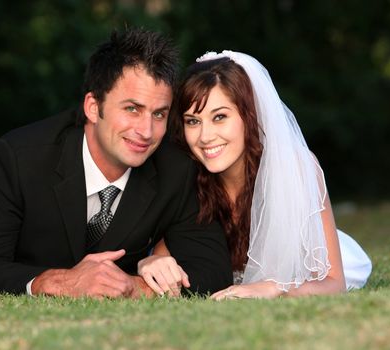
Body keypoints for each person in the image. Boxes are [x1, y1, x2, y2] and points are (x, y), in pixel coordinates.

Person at [0, 30, 233, 298]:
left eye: (159, 114)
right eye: (132, 109)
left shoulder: (176, 170)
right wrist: (61, 282)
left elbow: (212, 270)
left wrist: (134, 287)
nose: (146, 131)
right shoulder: (17, 157)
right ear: (93, 107)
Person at [138, 50, 372, 299]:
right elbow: (165, 253)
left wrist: (274, 288)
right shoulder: (187, 173)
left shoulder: (293, 168)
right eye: (193, 121)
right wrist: (149, 263)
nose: (205, 137)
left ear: (248, 117)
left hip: (312, 263)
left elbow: (334, 282)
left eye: (220, 117)